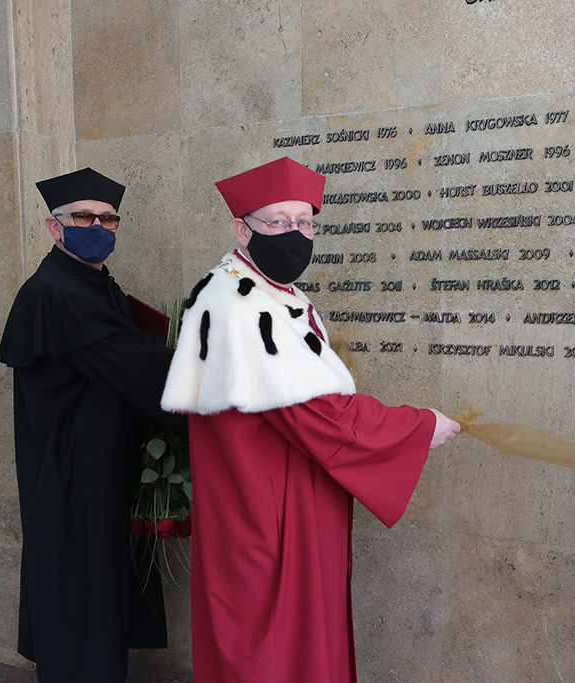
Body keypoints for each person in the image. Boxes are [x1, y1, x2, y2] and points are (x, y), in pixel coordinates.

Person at [161, 156, 462, 683]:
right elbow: (316, 414)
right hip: (267, 512)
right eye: (279, 221)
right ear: (243, 228)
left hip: (282, 498)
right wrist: (417, 427)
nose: (295, 234)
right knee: (272, 649)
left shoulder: (275, 293)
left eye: (305, 222)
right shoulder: (238, 302)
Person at [0, 168, 187, 682]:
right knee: (78, 587)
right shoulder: (55, 290)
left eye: (109, 218)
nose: (98, 225)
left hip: (98, 462)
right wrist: (216, 374)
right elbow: (134, 362)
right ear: (54, 226)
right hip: (70, 472)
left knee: (96, 588)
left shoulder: (96, 282)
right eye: (84, 216)